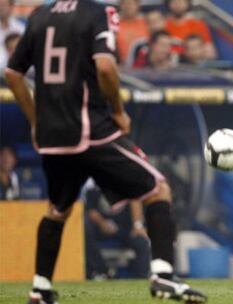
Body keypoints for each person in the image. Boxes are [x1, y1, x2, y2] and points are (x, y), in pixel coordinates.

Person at [4, 1, 206, 303]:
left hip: (54, 136)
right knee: (158, 189)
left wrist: (36, 121)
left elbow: (12, 74)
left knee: (57, 211)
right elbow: (106, 67)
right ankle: (163, 275)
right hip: (91, 129)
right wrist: (119, 111)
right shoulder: (98, 12)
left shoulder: (38, 16)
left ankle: (40, 288)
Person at [84, 183, 150, 279]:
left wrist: (138, 225)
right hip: (100, 228)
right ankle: (100, 272)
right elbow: (91, 209)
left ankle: (142, 276)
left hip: (125, 228)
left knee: (141, 240)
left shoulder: (127, 182)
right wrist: (102, 223)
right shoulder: (94, 186)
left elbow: (135, 200)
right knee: (83, 231)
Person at [116, 0, 149, 64]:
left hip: (143, 65)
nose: (128, 7)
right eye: (124, 4)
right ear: (120, 6)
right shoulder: (113, 24)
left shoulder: (147, 22)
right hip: (120, 65)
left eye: (130, 4)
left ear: (138, 5)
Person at [0, 0, 25, 70]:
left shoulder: (20, 28)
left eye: (3, 5)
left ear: (11, 6)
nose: (1, 8)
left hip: (16, 70)